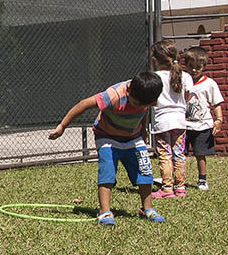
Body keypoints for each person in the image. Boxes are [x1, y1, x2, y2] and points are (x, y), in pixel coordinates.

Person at [49, 72, 165, 225]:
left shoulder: (148, 96)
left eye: (145, 105)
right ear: (129, 91)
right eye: (137, 104)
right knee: (107, 172)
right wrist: (62, 126)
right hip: (107, 137)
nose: (140, 107)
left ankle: (148, 209)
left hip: (133, 137)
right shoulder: (114, 95)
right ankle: (105, 212)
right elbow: (83, 104)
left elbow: (144, 110)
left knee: (144, 171)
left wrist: (143, 128)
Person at [149, 39, 193, 199]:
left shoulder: (155, 77)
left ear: (156, 59)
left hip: (162, 122)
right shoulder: (185, 76)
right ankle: (180, 188)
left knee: (165, 154)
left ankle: (167, 189)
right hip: (180, 121)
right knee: (179, 153)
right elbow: (187, 96)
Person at [183, 46, 224, 191]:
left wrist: (218, 120)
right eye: (191, 66)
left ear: (204, 66)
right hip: (183, 125)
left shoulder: (210, 84)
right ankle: (178, 178)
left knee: (200, 154)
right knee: (180, 154)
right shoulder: (182, 81)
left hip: (203, 126)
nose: (194, 70)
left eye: (198, 67)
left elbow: (216, 103)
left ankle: (202, 179)